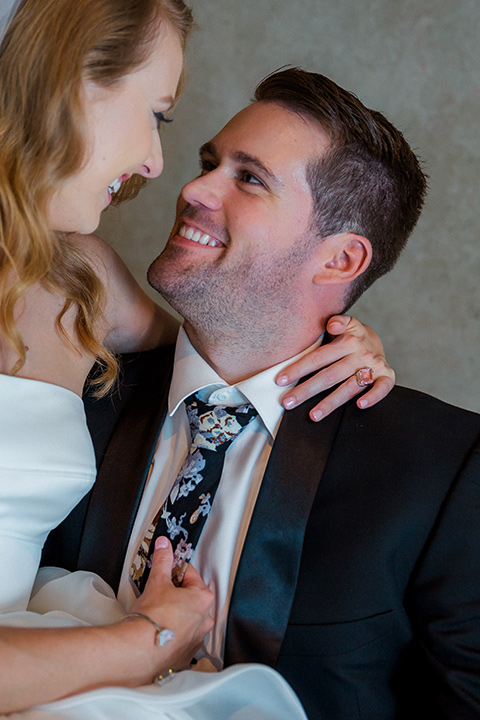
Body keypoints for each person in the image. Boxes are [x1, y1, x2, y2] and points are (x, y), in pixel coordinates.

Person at [47, 68, 480, 720]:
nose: (192, 188)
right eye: (210, 163)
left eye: (248, 178)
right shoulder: (69, 390)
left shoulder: (444, 467)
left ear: (339, 261)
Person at [0, 0, 393, 716]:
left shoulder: (74, 279)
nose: (162, 167)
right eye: (158, 113)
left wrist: (334, 335)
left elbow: (213, 355)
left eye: (248, 178)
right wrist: (151, 638)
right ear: (72, 84)